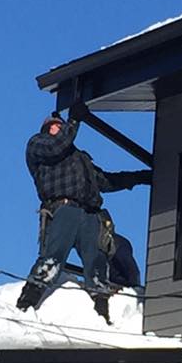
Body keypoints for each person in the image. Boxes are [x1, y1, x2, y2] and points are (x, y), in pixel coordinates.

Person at [16, 103, 151, 320]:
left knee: (97, 264)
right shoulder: (38, 144)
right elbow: (56, 147)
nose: (59, 129)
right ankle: (25, 304)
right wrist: (74, 121)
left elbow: (104, 180)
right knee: (52, 258)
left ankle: (101, 313)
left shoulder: (78, 157)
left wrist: (138, 177)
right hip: (63, 207)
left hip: (89, 213)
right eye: (55, 126)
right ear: (47, 129)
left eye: (61, 126)